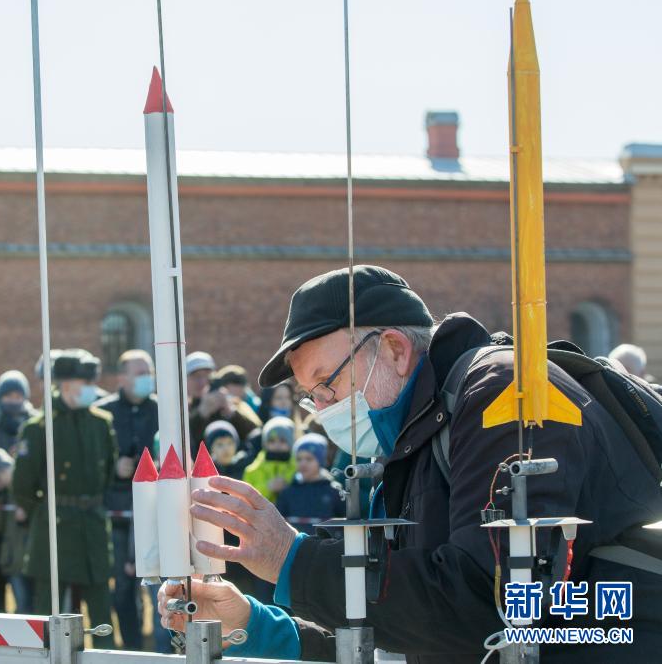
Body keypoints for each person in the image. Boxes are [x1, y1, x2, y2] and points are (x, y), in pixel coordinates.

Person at [160, 265, 662, 663]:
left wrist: (293, 558)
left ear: (396, 350)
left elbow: (486, 605)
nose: (324, 409)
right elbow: (404, 627)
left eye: (327, 384)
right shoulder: (417, 434)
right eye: (312, 397)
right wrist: (256, 624)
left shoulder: (503, 395)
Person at [12, 350, 116, 648]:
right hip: (55, 527)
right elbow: (22, 485)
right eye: (86, 382)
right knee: (49, 606)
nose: (91, 388)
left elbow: (108, 472)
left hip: (92, 524)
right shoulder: (39, 427)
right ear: (66, 384)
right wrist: (47, 510)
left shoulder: (101, 423)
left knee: (101, 606)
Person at [93, 349, 158, 650]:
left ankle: (162, 643)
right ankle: (131, 646)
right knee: (122, 586)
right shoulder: (103, 413)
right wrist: (114, 467)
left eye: (149, 372)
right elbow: (91, 463)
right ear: (122, 378)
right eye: (140, 373)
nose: (147, 378)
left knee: (157, 582)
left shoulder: (161, 409)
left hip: (154, 512)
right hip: (117, 512)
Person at [0, 448, 32, 613]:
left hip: (32, 557)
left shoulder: (27, 484)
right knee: (23, 608)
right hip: (13, 559)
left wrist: (27, 514)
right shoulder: (2, 493)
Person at [186, 352, 261, 453]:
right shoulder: (183, 409)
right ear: (185, 380)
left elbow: (255, 434)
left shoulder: (234, 402)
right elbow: (185, 439)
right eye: (196, 377)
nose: (202, 382)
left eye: (207, 376)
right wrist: (201, 413)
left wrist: (230, 411)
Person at [276, 434, 344, 534]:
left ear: (320, 461)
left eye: (309, 459)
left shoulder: (334, 491)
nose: (303, 463)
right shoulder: (288, 492)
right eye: (299, 459)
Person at [241, 417, 297, 504]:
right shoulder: (252, 471)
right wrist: (268, 487)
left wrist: (287, 485)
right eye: (272, 441)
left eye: (282, 441)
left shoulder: (299, 468)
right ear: (265, 443)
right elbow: (246, 498)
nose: (277, 445)